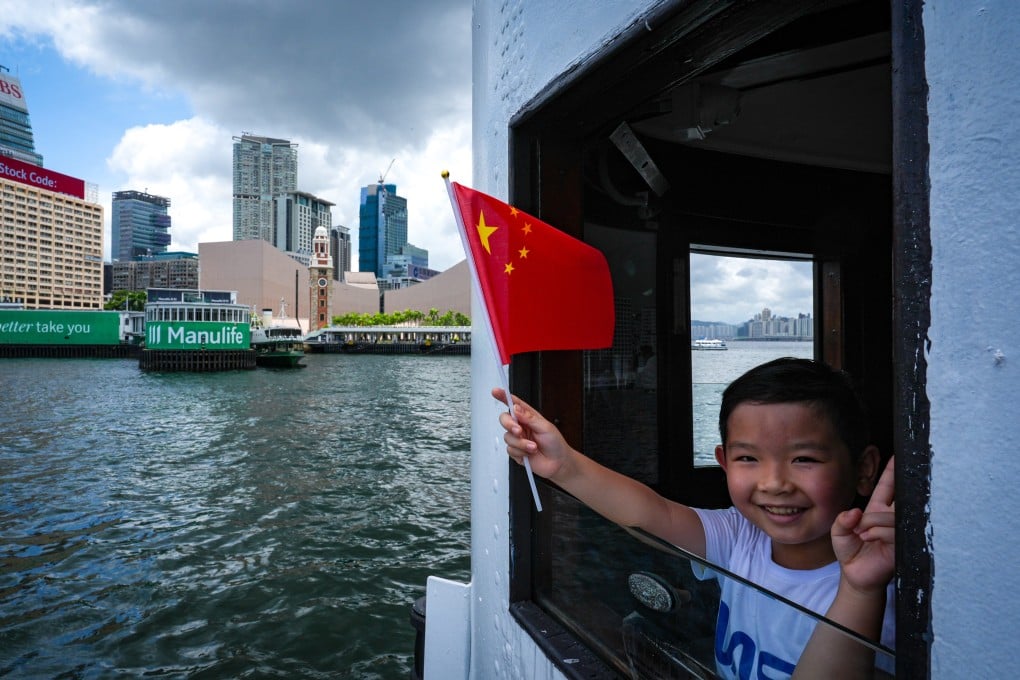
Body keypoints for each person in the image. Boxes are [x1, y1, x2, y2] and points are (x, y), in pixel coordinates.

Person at [493, 357, 895, 679]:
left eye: (804, 459)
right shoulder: (742, 536)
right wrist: (564, 466)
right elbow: (651, 511)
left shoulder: (880, 592)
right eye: (748, 458)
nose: (774, 483)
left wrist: (860, 591)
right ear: (723, 462)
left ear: (863, 469)